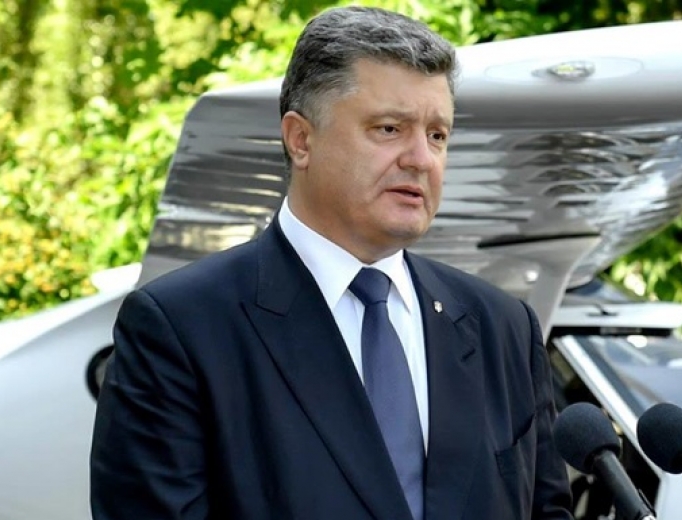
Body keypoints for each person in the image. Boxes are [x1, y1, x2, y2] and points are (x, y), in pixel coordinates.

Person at [90, 6, 573, 520]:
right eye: (389, 128)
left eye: (437, 135)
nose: (421, 159)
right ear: (301, 139)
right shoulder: (182, 328)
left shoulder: (503, 327)